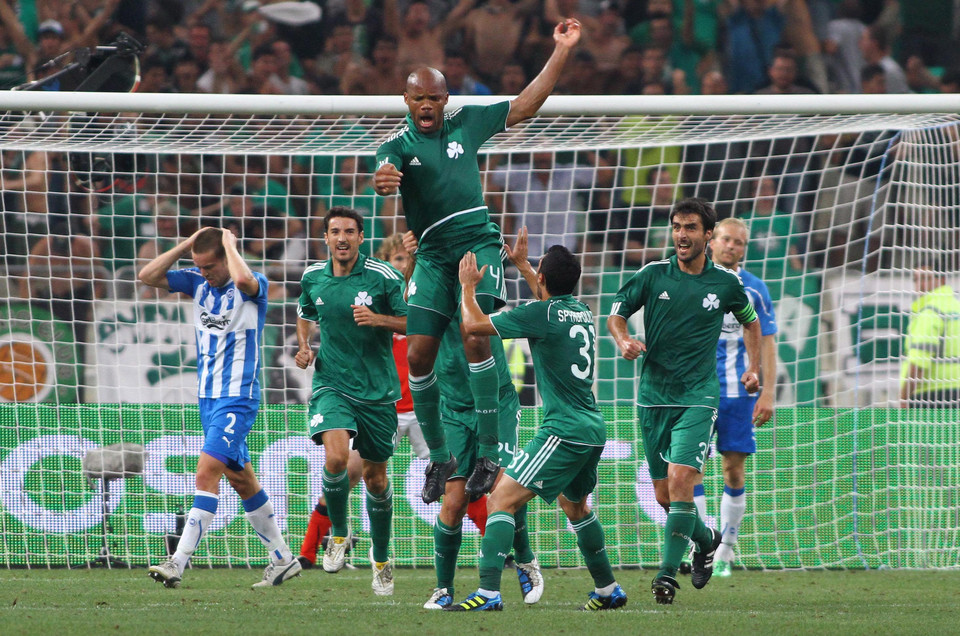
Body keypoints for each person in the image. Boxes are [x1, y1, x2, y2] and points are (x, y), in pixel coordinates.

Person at [374, 17, 582, 505]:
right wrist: (385, 179)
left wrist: (562, 50)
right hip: (432, 255)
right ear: (406, 101)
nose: (427, 106)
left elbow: (526, 104)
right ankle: (441, 458)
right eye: (418, 99)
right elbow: (385, 168)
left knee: (474, 335)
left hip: (478, 245)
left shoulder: (466, 122)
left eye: (435, 98)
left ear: (446, 100)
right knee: (420, 354)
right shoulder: (397, 144)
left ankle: (489, 453)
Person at [447, 238, 625, 612]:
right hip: (592, 428)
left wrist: (467, 287)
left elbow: (474, 325)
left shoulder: (540, 314)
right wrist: (527, 267)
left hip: (562, 430)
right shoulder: (579, 310)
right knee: (575, 507)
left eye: (537, 272)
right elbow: (548, 300)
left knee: (500, 499)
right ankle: (608, 589)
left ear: (543, 279)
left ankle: (489, 592)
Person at [606, 198, 761, 605]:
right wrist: (622, 339)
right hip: (653, 397)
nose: (681, 235)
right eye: (676, 226)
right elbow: (616, 314)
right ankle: (707, 540)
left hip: (698, 395)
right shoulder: (653, 275)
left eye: (690, 227)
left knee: (680, 483)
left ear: (707, 235)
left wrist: (754, 368)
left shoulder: (725, 283)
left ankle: (664, 575)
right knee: (664, 496)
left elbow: (751, 321)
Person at [140, 226, 302, 589]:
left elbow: (242, 276)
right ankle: (282, 558)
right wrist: (188, 245)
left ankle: (177, 562)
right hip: (208, 399)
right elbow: (147, 275)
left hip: (238, 398)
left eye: (209, 267)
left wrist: (228, 243)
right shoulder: (197, 282)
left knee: (205, 473)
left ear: (227, 258)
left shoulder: (252, 285)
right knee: (242, 481)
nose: (204, 273)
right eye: (198, 267)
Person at [406, 231, 541, 611]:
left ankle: (526, 560)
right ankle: (443, 589)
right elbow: (411, 315)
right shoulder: (429, 274)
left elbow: (486, 320)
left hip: (494, 399)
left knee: (502, 490)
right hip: (453, 403)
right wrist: (415, 263)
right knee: (452, 501)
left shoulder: (475, 265)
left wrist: (517, 266)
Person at [294, 206, 407, 596]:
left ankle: (380, 558)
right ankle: (339, 534)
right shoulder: (313, 277)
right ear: (325, 238)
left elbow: (415, 322)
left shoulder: (384, 276)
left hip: (377, 392)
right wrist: (304, 346)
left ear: (361, 237)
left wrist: (379, 320)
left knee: (376, 480)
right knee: (336, 458)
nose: (341, 238)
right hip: (332, 384)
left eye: (349, 232)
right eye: (334, 231)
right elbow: (305, 314)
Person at [694, 218, 778, 577]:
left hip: (738, 394)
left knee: (733, 469)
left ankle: (725, 552)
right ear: (712, 242)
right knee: (689, 470)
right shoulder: (693, 281)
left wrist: (768, 392)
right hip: (697, 391)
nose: (732, 246)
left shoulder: (755, 289)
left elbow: (769, 343)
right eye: (726, 239)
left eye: (739, 242)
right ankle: (701, 547)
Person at [899, 259, 960, 408]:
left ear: (942, 280)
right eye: (916, 280)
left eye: (926, 278)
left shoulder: (930, 312)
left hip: (931, 395)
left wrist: (903, 399)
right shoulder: (956, 307)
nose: (920, 285)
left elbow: (918, 363)